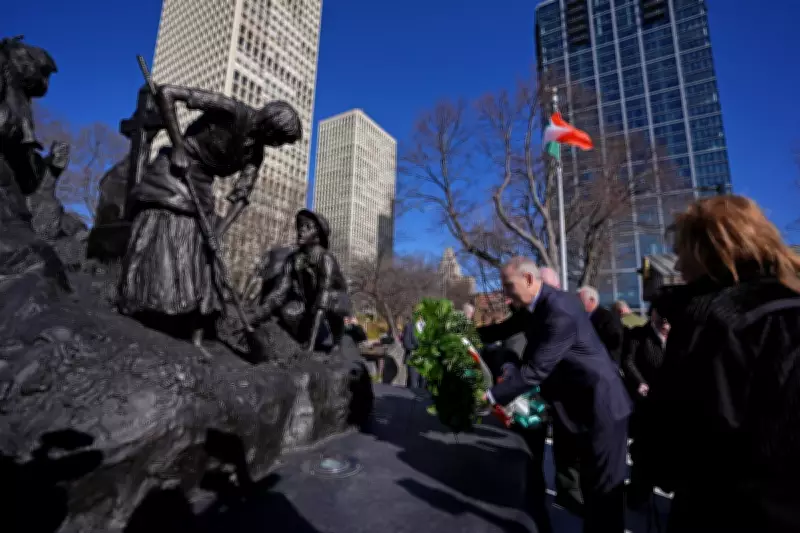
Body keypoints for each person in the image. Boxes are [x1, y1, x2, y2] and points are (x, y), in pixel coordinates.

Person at [631, 196, 800, 533]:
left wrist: (648, 462)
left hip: (727, 508)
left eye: (680, 254)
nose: (677, 267)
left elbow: (684, 426)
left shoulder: (715, 315)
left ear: (706, 251)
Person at [118, 84, 302, 346]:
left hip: (201, 187)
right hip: (174, 172)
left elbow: (241, 196)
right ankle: (147, 303)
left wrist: (220, 228)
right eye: (280, 139)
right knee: (173, 228)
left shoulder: (255, 152)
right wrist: (179, 146)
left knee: (205, 249)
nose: (278, 145)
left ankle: (187, 318)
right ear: (271, 125)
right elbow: (167, 93)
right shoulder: (231, 110)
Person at [484, 257, 631, 533]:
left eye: (507, 286)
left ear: (528, 280)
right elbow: (501, 329)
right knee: (590, 488)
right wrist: (463, 334)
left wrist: (490, 396)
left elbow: (535, 371)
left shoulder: (559, 309)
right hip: (579, 410)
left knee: (604, 494)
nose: (504, 294)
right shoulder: (535, 306)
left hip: (602, 408)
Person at [250, 209, 349, 352]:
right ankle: (302, 336)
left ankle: (336, 342)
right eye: (301, 226)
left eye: (308, 227)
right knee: (288, 311)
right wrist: (258, 314)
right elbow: (280, 292)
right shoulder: (293, 259)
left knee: (332, 304)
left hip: (331, 300)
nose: (301, 230)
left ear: (318, 236)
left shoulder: (326, 259)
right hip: (309, 302)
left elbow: (323, 299)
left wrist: (311, 344)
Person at [577, 286, 624, 365]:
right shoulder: (581, 318)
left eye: (579, 300)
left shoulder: (607, 317)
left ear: (592, 300)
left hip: (605, 364)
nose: (576, 303)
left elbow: (613, 344)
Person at [402, 315, 426, 389]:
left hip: (426, 360)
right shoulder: (409, 326)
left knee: (424, 384)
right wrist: (417, 348)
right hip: (413, 359)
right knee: (413, 384)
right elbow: (406, 343)